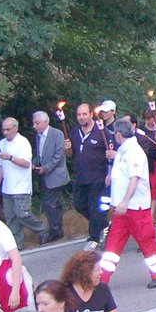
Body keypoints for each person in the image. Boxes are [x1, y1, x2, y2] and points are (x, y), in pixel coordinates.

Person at [100, 118, 156, 289]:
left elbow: (134, 178)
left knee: (146, 241)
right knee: (113, 244)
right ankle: (102, 279)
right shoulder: (124, 150)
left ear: (118, 134)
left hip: (135, 207)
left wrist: (124, 201)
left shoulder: (134, 152)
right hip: (123, 209)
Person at [66, 103, 111, 248]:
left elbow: (110, 155)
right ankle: (105, 225)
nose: (81, 117)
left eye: (84, 114)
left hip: (98, 176)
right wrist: (66, 149)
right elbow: (70, 154)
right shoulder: (74, 132)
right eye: (79, 114)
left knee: (94, 207)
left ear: (91, 114)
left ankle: (95, 238)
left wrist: (109, 174)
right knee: (79, 205)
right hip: (81, 176)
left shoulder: (102, 132)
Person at [0, 117, 44, 247]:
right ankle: (17, 244)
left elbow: (26, 164)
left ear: (15, 128)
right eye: (3, 129)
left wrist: (10, 157)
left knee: (22, 214)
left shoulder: (22, 142)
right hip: (7, 187)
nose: (5, 132)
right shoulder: (2, 144)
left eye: (8, 129)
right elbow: (1, 166)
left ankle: (42, 230)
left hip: (21, 186)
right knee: (11, 218)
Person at [30, 111, 70, 243]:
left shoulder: (56, 134)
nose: (35, 126)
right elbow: (40, 154)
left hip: (54, 174)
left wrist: (46, 168)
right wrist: (34, 163)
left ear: (46, 122)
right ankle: (57, 229)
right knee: (53, 203)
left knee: (50, 203)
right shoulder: (38, 136)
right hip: (44, 174)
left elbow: (59, 155)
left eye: (37, 123)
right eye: (34, 123)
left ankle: (55, 231)